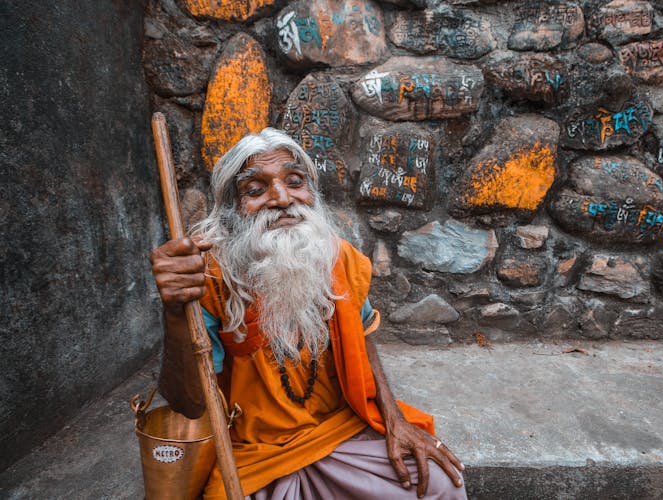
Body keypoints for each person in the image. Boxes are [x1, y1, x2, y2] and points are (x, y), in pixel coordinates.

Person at [150, 128, 467, 499]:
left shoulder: (336, 257)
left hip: (339, 429)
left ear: (311, 194)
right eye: (255, 190)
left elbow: (363, 340)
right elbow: (187, 403)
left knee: (439, 486)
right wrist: (174, 311)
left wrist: (395, 420)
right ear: (231, 210)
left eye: (295, 182)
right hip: (255, 451)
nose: (282, 199)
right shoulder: (208, 278)